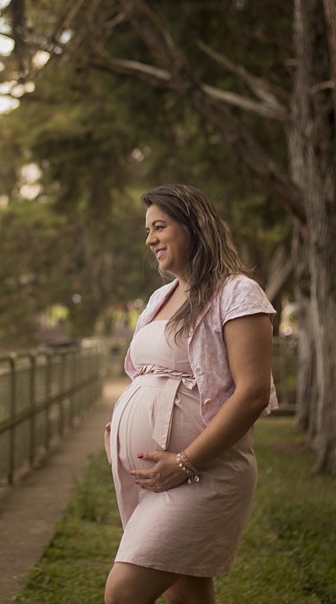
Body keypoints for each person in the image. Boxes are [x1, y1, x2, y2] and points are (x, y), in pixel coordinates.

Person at [103, 184, 277, 604]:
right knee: (188, 596)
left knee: (123, 593)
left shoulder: (237, 292)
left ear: (194, 226)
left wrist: (185, 461)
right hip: (155, 476)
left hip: (204, 471)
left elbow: (252, 392)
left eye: (159, 226)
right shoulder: (160, 298)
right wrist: (121, 429)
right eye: (147, 230)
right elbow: (148, 375)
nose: (150, 240)